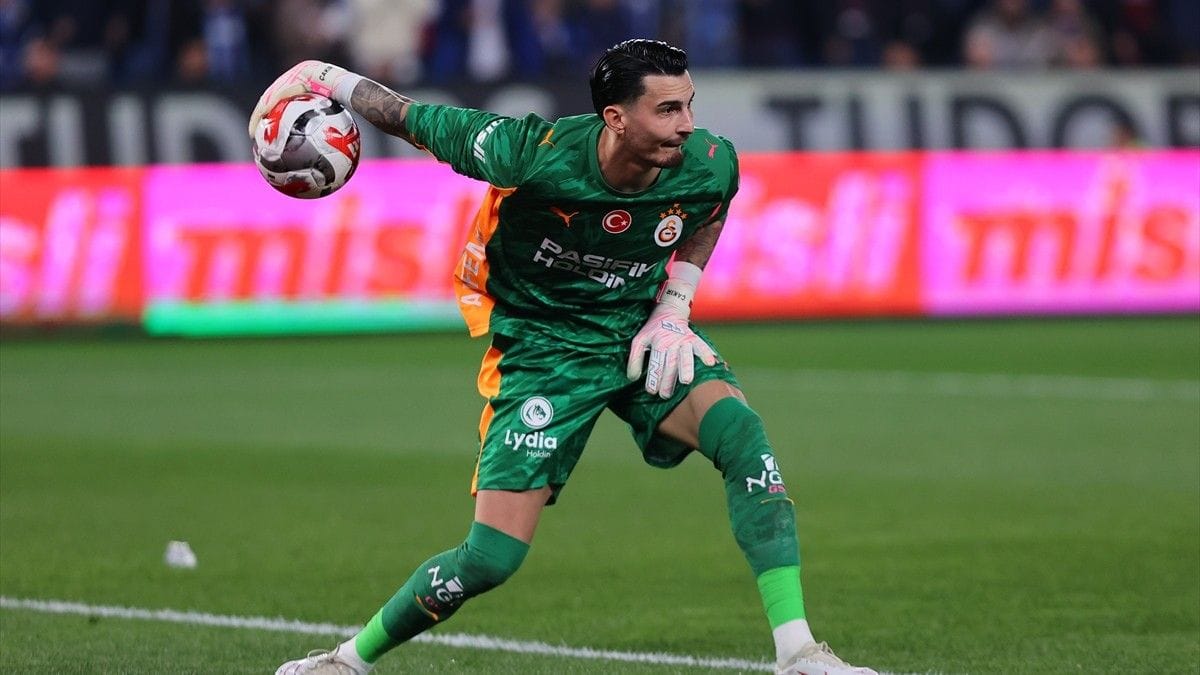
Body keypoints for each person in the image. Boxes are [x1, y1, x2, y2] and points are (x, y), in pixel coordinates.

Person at [249, 39, 877, 675]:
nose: (687, 124)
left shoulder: (709, 162)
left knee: (741, 436)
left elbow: (710, 208)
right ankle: (347, 662)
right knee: (490, 558)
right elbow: (408, 117)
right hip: (542, 349)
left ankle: (798, 652)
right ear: (616, 118)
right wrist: (319, 74)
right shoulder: (529, 153)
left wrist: (674, 305)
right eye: (667, 110)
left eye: (689, 105)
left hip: (638, 332)